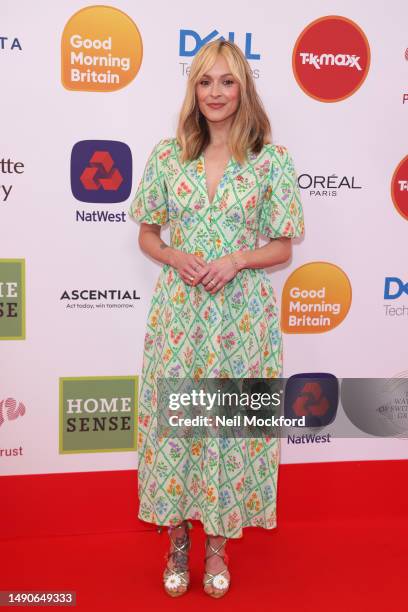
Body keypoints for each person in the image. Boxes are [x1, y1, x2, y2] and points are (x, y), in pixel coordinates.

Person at [128, 39, 305, 598]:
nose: (215, 93)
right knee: (177, 431)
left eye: (227, 82)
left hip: (242, 322)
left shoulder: (270, 162)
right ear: (194, 89)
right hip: (180, 320)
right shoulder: (167, 155)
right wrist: (173, 254)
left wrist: (237, 259)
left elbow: (282, 249)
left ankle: (218, 546)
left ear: (243, 88)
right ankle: (178, 541)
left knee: (229, 432)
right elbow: (147, 234)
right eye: (205, 82)